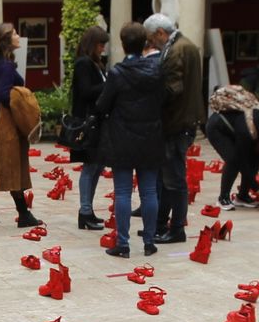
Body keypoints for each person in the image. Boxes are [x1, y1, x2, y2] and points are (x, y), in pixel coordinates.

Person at [94, 21, 164, 258]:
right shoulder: (156, 71)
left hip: (122, 137)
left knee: (122, 192)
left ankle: (123, 244)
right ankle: (149, 241)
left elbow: (102, 104)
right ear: (145, 43)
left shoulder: (117, 73)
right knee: (149, 192)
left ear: (123, 45)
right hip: (150, 136)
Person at [146, 13, 203, 244]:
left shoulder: (178, 50)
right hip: (182, 119)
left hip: (176, 121)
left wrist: (149, 99)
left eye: (152, 38)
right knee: (168, 176)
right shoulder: (185, 45)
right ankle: (161, 224)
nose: (151, 44)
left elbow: (173, 88)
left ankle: (176, 228)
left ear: (161, 33)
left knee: (174, 179)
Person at [0, 21, 43, 229]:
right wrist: (22, 109)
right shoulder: (6, 66)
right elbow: (5, 94)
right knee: (11, 164)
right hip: (3, 122)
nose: (18, 36)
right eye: (15, 33)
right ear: (7, 40)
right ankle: (23, 213)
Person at [205, 83, 259, 208]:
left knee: (257, 156)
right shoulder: (248, 130)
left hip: (236, 128)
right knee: (233, 160)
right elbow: (241, 161)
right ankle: (223, 198)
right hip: (218, 128)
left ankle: (242, 196)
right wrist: (257, 187)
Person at [69, 25, 109, 230]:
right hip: (88, 122)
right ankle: (85, 211)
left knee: (96, 167)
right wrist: (111, 84)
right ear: (92, 44)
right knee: (90, 166)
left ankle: (88, 210)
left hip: (96, 122)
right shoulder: (84, 63)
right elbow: (86, 91)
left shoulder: (94, 63)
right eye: (101, 44)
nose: (103, 48)